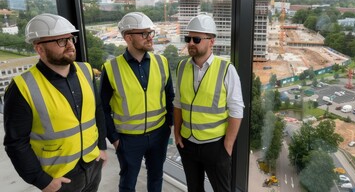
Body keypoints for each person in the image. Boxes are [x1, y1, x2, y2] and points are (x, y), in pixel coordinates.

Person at [3, 13, 107, 192]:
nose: (69, 45)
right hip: (59, 177)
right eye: (60, 41)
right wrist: (41, 180)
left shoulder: (86, 70)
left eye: (70, 38)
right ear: (40, 49)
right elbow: (16, 143)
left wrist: (102, 148)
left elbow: (97, 110)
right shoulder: (22, 87)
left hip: (93, 164)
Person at [100, 12, 174, 192]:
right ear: (128, 37)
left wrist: (168, 127)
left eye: (150, 33)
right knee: (128, 182)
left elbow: (169, 97)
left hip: (158, 135)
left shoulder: (161, 62)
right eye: (144, 34)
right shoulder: (111, 68)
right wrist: (115, 139)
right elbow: (102, 108)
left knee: (156, 176)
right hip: (128, 139)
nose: (150, 38)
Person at [174, 14, 244, 192]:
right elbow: (178, 103)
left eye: (196, 39)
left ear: (211, 41)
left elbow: (236, 110)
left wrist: (227, 146)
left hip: (215, 146)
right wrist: (177, 134)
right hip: (188, 144)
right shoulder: (182, 67)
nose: (190, 43)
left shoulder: (226, 69)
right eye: (188, 38)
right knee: (194, 189)